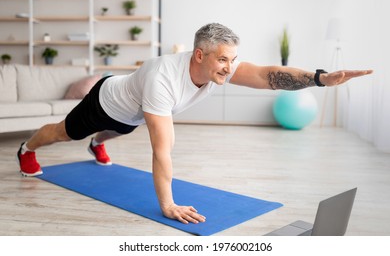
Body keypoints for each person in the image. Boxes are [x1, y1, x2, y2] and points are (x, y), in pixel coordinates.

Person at [16, 23, 372, 225]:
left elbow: (268, 75)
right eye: (222, 60)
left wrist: (320, 78)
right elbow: (162, 149)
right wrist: (167, 204)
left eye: (232, 60)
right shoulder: (162, 80)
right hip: (105, 102)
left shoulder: (218, 67)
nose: (229, 68)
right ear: (199, 55)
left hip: (133, 111)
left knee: (121, 129)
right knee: (65, 132)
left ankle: (98, 143)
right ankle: (26, 148)